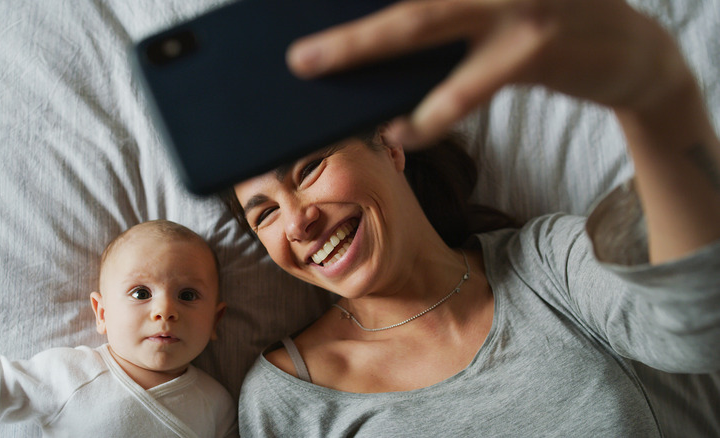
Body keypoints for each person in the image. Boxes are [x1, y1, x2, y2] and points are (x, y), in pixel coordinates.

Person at [224, 0, 720, 436]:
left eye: (309, 169)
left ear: (389, 144)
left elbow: (700, 327)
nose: (296, 222)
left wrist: (660, 96)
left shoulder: (547, 265)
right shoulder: (287, 399)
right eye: (264, 213)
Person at [0, 220, 237, 438]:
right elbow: (2, 384)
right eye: (140, 293)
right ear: (102, 313)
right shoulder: (69, 372)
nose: (165, 311)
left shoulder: (217, 404)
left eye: (187, 295)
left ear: (215, 320)